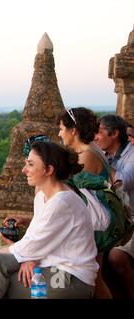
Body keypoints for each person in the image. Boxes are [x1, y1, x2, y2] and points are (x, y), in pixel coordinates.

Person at [0, 142, 98, 299]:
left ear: (49, 170)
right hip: (48, 266)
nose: (24, 170)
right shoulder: (42, 197)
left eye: (30, 164)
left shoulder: (62, 202)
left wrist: (27, 255)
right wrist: (28, 257)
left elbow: (32, 246)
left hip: (70, 277)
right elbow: (34, 240)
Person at [57, 107, 112, 298]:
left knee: (94, 278)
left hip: (95, 224)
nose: (59, 133)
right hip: (93, 221)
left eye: (62, 128)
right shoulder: (87, 150)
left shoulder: (87, 155)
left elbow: (71, 191)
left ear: (73, 130)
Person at [94, 115, 134, 298]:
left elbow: (124, 182)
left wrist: (99, 162)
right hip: (117, 221)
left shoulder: (131, 154)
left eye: (100, 132)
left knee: (115, 257)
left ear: (115, 134)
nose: (96, 137)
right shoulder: (107, 156)